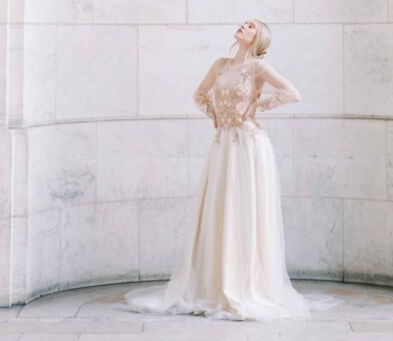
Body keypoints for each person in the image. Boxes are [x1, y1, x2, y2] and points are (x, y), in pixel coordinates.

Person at [123, 19, 318, 321]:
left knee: (243, 211)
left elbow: (293, 93)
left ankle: (244, 286)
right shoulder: (221, 64)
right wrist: (214, 113)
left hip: (248, 144)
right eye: (244, 23)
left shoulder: (258, 67)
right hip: (224, 143)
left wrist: (257, 105)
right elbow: (199, 94)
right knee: (219, 209)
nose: (243, 26)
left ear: (258, 38)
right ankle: (214, 283)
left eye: (251, 26)